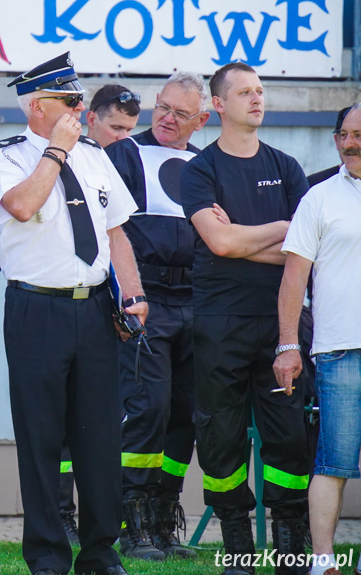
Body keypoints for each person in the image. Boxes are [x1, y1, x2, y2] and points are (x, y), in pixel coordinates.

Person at [0, 53, 144, 575]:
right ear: (37, 108)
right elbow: (24, 206)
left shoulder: (96, 156)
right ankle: (48, 556)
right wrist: (56, 151)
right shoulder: (5, 158)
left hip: (95, 307)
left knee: (101, 436)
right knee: (40, 437)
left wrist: (133, 294)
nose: (80, 109)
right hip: (36, 309)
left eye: (79, 99)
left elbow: (116, 231)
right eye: (70, 101)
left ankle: (101, 552)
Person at [180, 62, 310, 575]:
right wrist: (280, 229)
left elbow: (303, 254)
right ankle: (237, 545)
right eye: (244, 92)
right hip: (220, 323)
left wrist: (241, 241)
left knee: (289, 435)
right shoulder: (201, 170)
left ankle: (291, 545)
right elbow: (217, 241)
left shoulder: (288, 165)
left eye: (260, 91)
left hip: (281, 322)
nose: (257, 99)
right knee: (220, 435)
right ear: (218, 104)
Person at [103, 72, 209, 562]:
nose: (167, 118)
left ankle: (165, 519)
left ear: (202, 120)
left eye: (180, 113)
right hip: (146, 296)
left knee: (185, 415)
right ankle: (133, 521)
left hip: (197, 299)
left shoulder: (208, 163)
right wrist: (125, 297)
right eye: (162, 107)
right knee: (146, 409)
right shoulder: (124, 153)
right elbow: (109, 231)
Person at [273, 102, 361, 575]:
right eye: (344, 134)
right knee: (333, 459)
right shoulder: (318, 197)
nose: (350, 142)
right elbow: (293, 279)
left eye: (359, 134)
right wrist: (288, 345)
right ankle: (322, 562)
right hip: (339, 349)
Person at [56, 82, 143, 544]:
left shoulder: (114, 160)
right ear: (89, 118)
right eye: (115, 127)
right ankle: (59, 514)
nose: (123, 137)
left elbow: (118, 239)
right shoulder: (65, 155)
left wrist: (131, 298)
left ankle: (104, 526)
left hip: (105, 312)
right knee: (57, 425)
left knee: (102, 421)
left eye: (130, 129)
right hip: (56, 304)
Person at [307, 106, 352, 187]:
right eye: (343, 135)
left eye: (358, 136)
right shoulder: (314, 184)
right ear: (336, 140)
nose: (349, 144)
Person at [85, 84, 141, 148]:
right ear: (92, 120)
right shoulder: (72, 155)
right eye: (116, 128)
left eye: (128, 130)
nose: (124, 138)